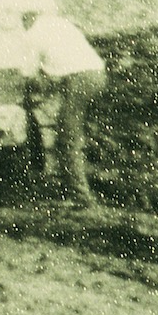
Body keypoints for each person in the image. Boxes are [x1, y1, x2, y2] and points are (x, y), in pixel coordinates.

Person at [22, 11, 105, 206]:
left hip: (79, 79)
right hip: (96, 74)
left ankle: (80, 197)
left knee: (67, 138)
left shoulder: (31, 35)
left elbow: (29, 73)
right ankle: (75, 186)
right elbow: (60, 60)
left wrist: (30, 88)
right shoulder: (58, 23)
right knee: (69, 131)